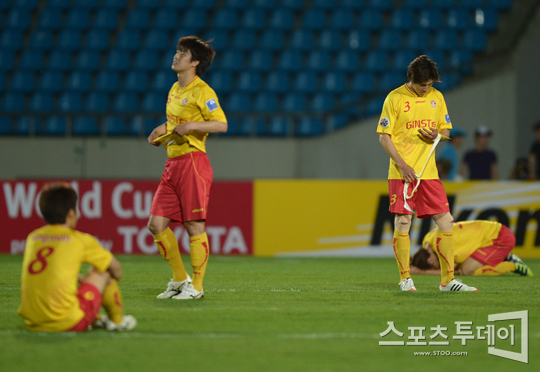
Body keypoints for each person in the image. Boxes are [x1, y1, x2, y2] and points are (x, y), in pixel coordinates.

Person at [377, 55, 477, 292]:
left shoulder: (437, 97)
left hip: (429, 172)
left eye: (430, 85)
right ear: (411, 79)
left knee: (446, 221)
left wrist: (438, 135)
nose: (426, 89)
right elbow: (383, 137)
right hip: (403, 172)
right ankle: (405, 278)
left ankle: (447, 281)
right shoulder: (395, 98)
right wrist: (402, 165)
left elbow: (445, 130)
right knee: (403, 221)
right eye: (423, 85)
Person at [147, 36, 227, 300]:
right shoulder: (174, 89)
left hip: (193, 162)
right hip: (172, 163)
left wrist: (192, 126)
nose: (177, 55)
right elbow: (176, 121)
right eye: (177, 51)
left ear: (194, 63)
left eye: (183, 53)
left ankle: (197, 287)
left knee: (194, 225)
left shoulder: (203, 91)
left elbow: (220, 124)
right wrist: (163, 129)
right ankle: (180, 279)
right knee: (156, 225)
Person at [18, 183, 136, 332]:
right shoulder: (80, 240)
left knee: (75, 281)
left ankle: (97, 319)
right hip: (68, 322)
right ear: (71, 214)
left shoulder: (33, 238)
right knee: (105, 271)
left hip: (32, 322)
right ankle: (118, 321)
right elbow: (117, 269)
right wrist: (106, 285)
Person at [411, 220, 533, 277]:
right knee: (465, 267)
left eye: (433, 266)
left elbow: (451, 271)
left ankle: (512, 264)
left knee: (467, 270)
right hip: (492, 232)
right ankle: (503, 258)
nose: (436, 267)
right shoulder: (428, 239)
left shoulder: (444, 248)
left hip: (500, 239)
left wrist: (422, 271)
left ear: (430, 261)